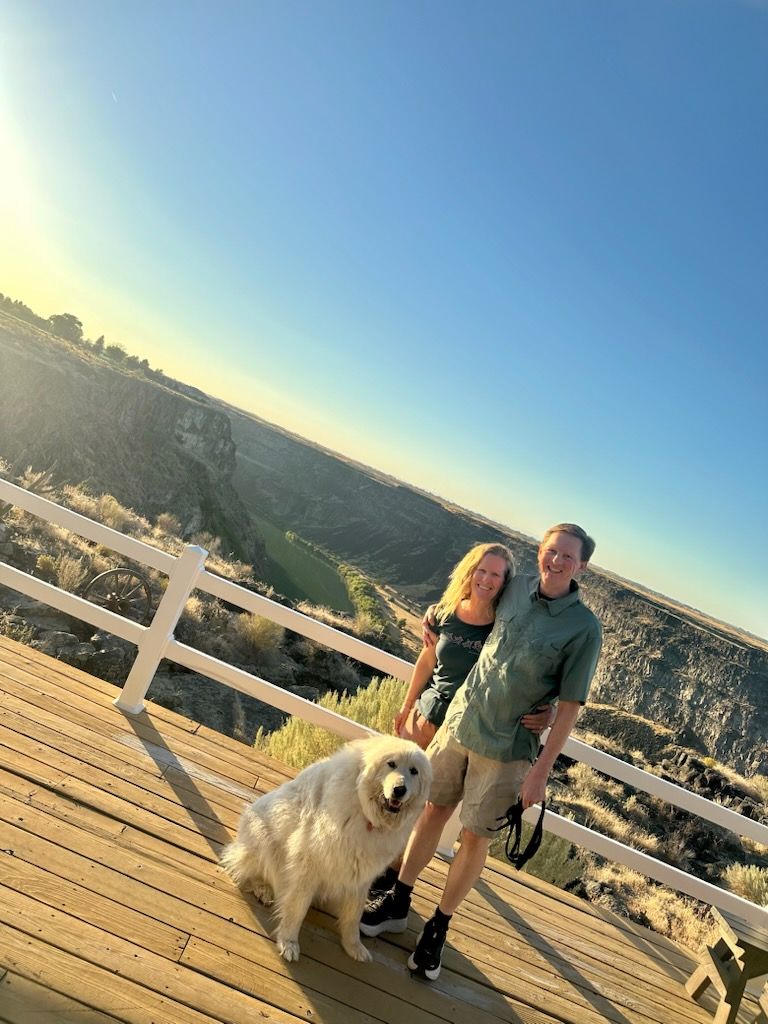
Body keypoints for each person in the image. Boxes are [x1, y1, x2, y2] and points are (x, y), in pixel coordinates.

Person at [360, 523, 602, 981]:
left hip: (508, 748)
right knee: (432, 810)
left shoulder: (584, 629)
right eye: (552, 551)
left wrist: (541, 770)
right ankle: (398, 900)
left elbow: (570, 706)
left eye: (568, 557)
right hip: (459, 724)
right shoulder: (516, 588)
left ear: (582, 566)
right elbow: (476, 588)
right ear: (540, 552)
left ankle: (439, 925)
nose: (557, 561)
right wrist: (435, 616)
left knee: (474, 838)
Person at [371, 542, 554, 896]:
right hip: (424, 720)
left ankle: (392, 876)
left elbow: (531, 671)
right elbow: (427, 662)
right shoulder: (444, 614)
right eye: (481, 571)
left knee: (427, 810)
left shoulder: (505, 625)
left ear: (505, 583)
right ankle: (370, 863)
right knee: (393, 800)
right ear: (470, 572)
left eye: (496, 575)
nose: (486, 580)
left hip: (463, 730)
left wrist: (553, 708)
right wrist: (407, 705)